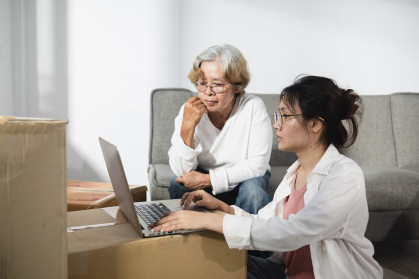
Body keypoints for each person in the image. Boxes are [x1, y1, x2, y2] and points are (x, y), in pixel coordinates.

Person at [153, 75, 383, 278]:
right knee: (208, 262)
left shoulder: (344, 175)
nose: (276, 124)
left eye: (285, 115)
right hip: (285, 273)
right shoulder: (295, 173)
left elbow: (295, 231)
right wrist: (224, 208)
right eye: (277, 114)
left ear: (315, 124)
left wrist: (208, 220)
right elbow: (265, 219)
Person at [168, 44, 273, 214]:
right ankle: (194, 238)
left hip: (244, 178)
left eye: (217, 84)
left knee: (254, 193)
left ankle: (248, 238)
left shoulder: (253, 106)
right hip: (204, 172)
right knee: (177, 183)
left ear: (236, 85)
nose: (208, 92)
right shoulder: (189, 110)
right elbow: (181, 172)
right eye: (202, 83)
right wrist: (187, 125)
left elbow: (257, 165)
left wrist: (209, 180)